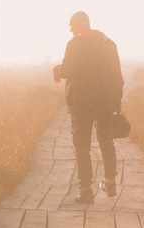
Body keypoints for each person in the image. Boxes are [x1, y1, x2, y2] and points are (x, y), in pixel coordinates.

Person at [52, 11, 124, 204]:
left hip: (82, 103)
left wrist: (57, 70)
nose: (70, 29)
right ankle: (110, 183)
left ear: (80, 24)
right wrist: (117, 102)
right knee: (106, 140)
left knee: (82, 146)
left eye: (71, 25)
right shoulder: (109, 44)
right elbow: (118, 76)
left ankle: (85, 190)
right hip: (106, 101)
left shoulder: (74, 44)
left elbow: (67, 70)